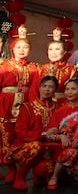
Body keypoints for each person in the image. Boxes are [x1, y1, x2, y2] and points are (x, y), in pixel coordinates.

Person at [0, 38, 39, 182]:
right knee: (6, 137)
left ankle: (24, 170)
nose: (22, 50)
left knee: (22, 136)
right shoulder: (3, 66)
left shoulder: (34, 67)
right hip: (5, 104)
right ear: (12, 49)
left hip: (26, 103)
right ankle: (11, 168)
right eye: (18, 47)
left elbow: (35, 88)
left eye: (25, 47)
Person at [10, 76, 58, 190]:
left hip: (48, 147)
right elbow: (21, 131)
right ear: (39, 88)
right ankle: (20, 177)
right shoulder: (27, 107)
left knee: (46, 167)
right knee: (37, 146)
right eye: (44, 86)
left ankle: (40, 175)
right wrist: (43, 134)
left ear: (55, 90)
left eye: (50, 87)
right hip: (25, 147)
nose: (47, 89)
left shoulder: (57, 108)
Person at [45, 78, 78, 190]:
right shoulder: (60, 111)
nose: (69, 92)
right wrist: (61, 136)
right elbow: (49, 135)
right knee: (71, 152)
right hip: (63, 149)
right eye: (67, 89)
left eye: (73, 89)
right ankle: (55, 176)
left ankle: (69, 175)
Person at [30, 39, 78, 104]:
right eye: (50, 49)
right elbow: (33, 91)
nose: (53, 52)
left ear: (64, 52)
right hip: (43, 105)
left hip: (63, 105)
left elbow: (75, 93)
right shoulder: (41, 69)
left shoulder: (71, 70)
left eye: (57, 49)